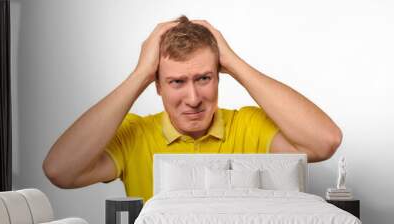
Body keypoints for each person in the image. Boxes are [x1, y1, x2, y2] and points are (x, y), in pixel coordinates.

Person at [43, 15, 342, 202]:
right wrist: (139, 75)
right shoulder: (135, 134)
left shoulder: (248, 125)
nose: (194, 97)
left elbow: (325, 142)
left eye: (203, 78)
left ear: (218, 75)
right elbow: (60, 171)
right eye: (176, 82)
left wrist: (234, 62)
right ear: (157, 85)